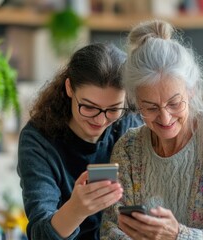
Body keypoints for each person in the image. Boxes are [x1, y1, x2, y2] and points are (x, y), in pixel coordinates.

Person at [100, 20, 203, 239]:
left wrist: (177, 235)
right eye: (151, 107)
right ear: (135, 101)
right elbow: (110, 230)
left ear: (190, 90)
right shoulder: (128, 149)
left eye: (174, 103)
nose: (165, 117)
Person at [17, 43, 143, 240]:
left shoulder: (131, 124)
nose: (101, 120)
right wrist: (76, 209)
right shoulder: (38, 140)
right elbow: (39, 234)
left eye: (113, 109)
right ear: (69, 88)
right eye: (89, 107)